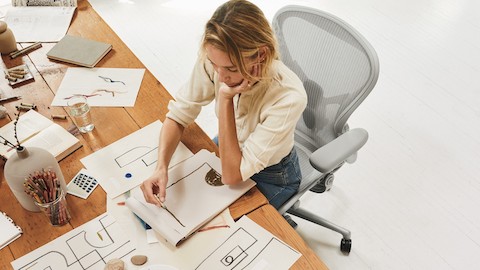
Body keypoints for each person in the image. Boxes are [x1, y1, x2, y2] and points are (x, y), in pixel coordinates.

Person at [140, 0, 307, 209]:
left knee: (214, 227)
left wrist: (226, 98)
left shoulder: (288, 97)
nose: (221, 76)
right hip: (229, 147)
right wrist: (161, 167)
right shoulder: (218, 61)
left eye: (231, 68)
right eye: (214, 64)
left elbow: (232, 175)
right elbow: (179, 114)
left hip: (272, 175)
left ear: (261, 55)